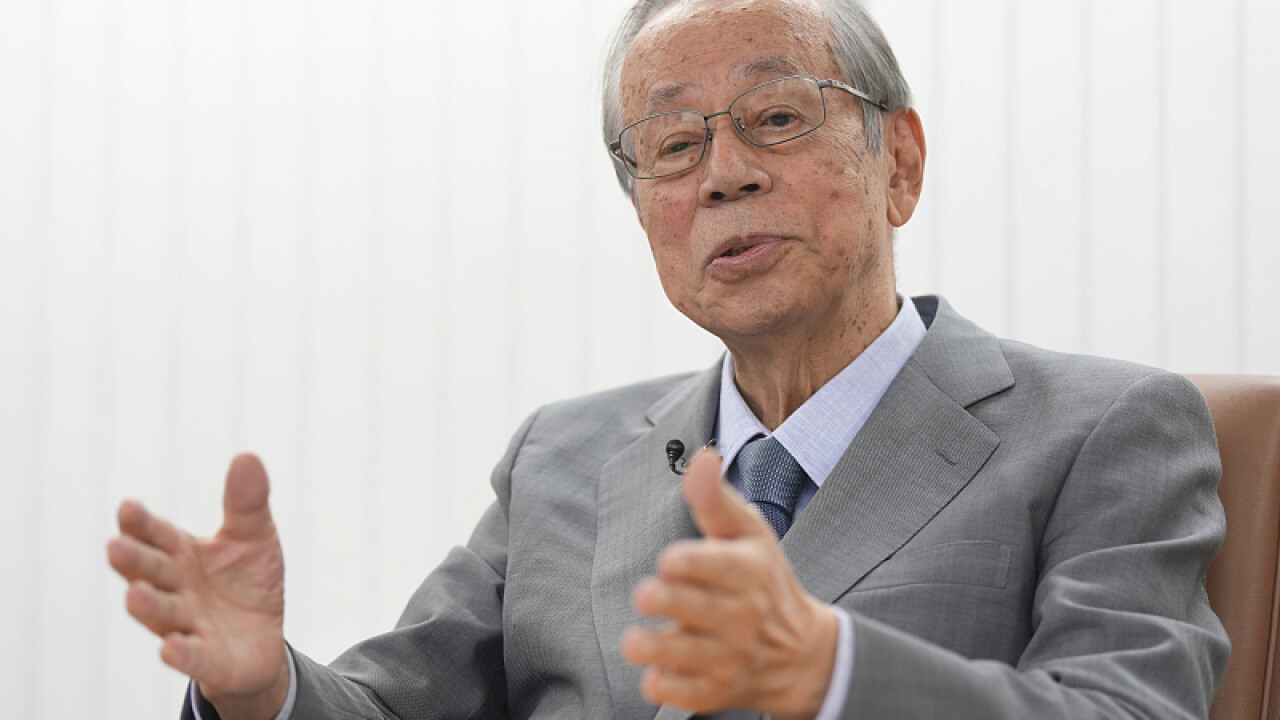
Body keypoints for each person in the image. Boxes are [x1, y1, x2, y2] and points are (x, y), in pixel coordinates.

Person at [106, 0, 1230, 718]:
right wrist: (262, 690)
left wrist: (831, 671)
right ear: (644, 210)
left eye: (775, 119)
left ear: (897, 162)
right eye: (676, 145)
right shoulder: (561, 457)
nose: (724, 174)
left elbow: (1125, 709)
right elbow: (395, 709)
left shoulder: (1104, 429)